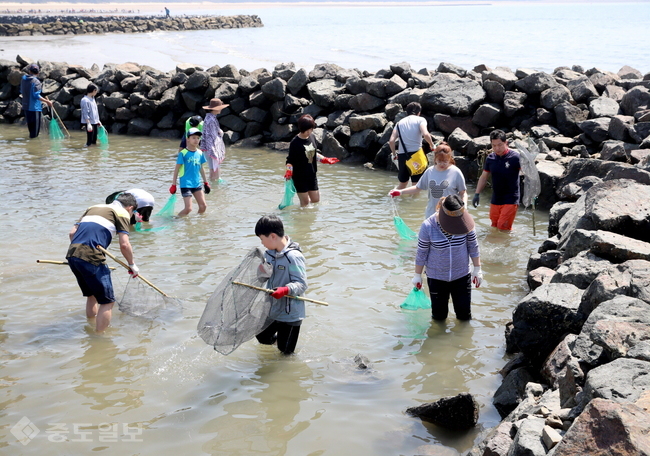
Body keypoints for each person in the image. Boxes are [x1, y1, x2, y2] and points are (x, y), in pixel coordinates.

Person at [66, 193, 139, 332]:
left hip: (72, 254)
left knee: (91, 295)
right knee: (107, 302)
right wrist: (132, 264)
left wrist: (80, 255)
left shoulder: (93, 207)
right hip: (92, 256)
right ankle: (99, 337)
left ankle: (91, 326)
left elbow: (72, 234)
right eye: (134, 212)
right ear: (130, 208)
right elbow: (124, 244)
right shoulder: (122, 213)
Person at [413, 195, 482, 321]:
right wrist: (417, 275)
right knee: (439, 318)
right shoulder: (428, 226)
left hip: (461, 275)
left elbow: (473, 245)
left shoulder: (465, 223)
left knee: (464, 316)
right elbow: (421, 252)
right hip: (436, 278)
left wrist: (477, 269)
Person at [254, 215, 307, 354]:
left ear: (272, 236)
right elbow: (264, 277)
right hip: (272, 308)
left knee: (285, 353)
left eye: (262, 239)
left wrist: (285, 290)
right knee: (262, 336)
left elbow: (301, 284)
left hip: (291, 313)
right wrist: (262, 272)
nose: (262, 243)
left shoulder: (293, 257)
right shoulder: (268, 254)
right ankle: (281, 341)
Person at [389, 143, 467, 219]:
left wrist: (464, 207)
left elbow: (463, 193)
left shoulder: (456, 172)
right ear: (435, 158)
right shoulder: (430, 171)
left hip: (450, 214)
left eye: (445, 161)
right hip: (431, 214)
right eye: (439, 161)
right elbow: (417, 188)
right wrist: (400, 192)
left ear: (450, 158)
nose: (442, 164)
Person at [472, 129, 521, 231]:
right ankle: (506, 241)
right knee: (494, 226)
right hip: (496, 198)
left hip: (511, 198)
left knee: (502, 227)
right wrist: (477, 194)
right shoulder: (490, 158)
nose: (497, 148)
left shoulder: (515, 158)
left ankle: (506, 244)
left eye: (499, 145)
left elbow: (528, 173)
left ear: (506, 143)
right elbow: (484, 177)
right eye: (494, 145)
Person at [285, 114, 338, 207]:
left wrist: (324, 159)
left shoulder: (312, 137)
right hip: (299, 177)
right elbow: (290, 160)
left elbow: (313, 153)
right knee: (305, 204)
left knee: (315, 200)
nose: (309, 131)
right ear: (302, 128)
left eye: (311, 129)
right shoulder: (295, 142)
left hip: (311, 175)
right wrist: (289, 172)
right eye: (307, 129)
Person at [388, 102, 435, 190]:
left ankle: (394, 197)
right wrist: (432, 145)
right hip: (416, 156)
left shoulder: (399, 123)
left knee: (402, 184)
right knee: (416, 185)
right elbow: (426, 134)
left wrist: (394, 154)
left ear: (407, 112)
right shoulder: (421, 120)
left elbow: (391, 141)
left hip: (402, 156)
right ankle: (411, 203)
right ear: (419, 112)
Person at [170, 127, 210, 216]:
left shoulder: (200, 153)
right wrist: (173, 184)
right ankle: (175, 220)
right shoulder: (183, 153)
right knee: (188, 209)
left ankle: (197, 223)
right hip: (186, 184)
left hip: (196, 183)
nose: (196, 140)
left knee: (203, 206)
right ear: (188, 139)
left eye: (198, 138)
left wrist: (206, 182)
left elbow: (201, 168)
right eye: (193, 138)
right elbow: (176, 169)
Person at [20, 63, 53, 138]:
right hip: (34, 108)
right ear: (38, 73)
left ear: (29, 71)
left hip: (26, 107)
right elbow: (36, 95)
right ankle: (33, 148)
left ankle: (30, 147)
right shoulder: (36, 82)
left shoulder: (23, 80)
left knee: (31, 130)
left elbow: (22, 92)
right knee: (35, 132)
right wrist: (47, 101)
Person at [201, 98, 229, 181]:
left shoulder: (209, 117)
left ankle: (215, 185)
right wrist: (213, 150)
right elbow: (211, 136)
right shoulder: (211, 119)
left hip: (209, 146)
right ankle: (214, 187)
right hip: (211, 147)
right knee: (213, 170)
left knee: (213, 168)